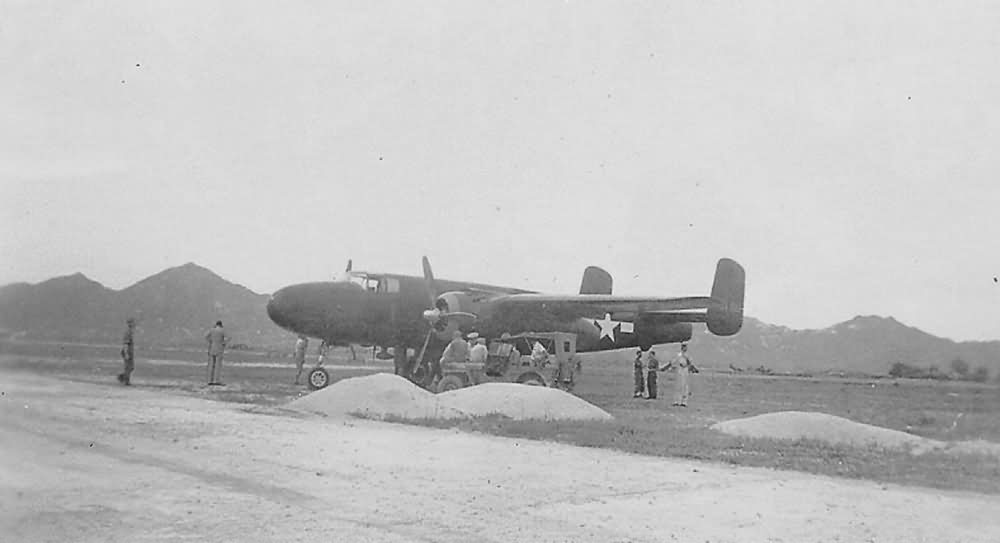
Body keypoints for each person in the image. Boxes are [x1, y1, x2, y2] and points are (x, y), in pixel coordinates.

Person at [204, 320, 228, 386]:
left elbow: (205, 336)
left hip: (212, 348)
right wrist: (223, 343)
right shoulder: (222, 330)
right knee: (218, 366)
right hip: (219, 349)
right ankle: (216, 380)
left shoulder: (212, 330)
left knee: (211, 365)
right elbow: (228, 338)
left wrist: (210, 341)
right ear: (221, 325)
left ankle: (210, 380)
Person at [117, 318, 136, 385]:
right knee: (129, 367)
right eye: (133, 323)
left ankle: (123, 378)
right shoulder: (128, 332)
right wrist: (126, 353)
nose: (134, 324)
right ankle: (125, 380)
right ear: (129, 324)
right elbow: (126, 343)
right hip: (127, 351)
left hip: (129, 351)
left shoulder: (130, 331)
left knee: (131, 367)